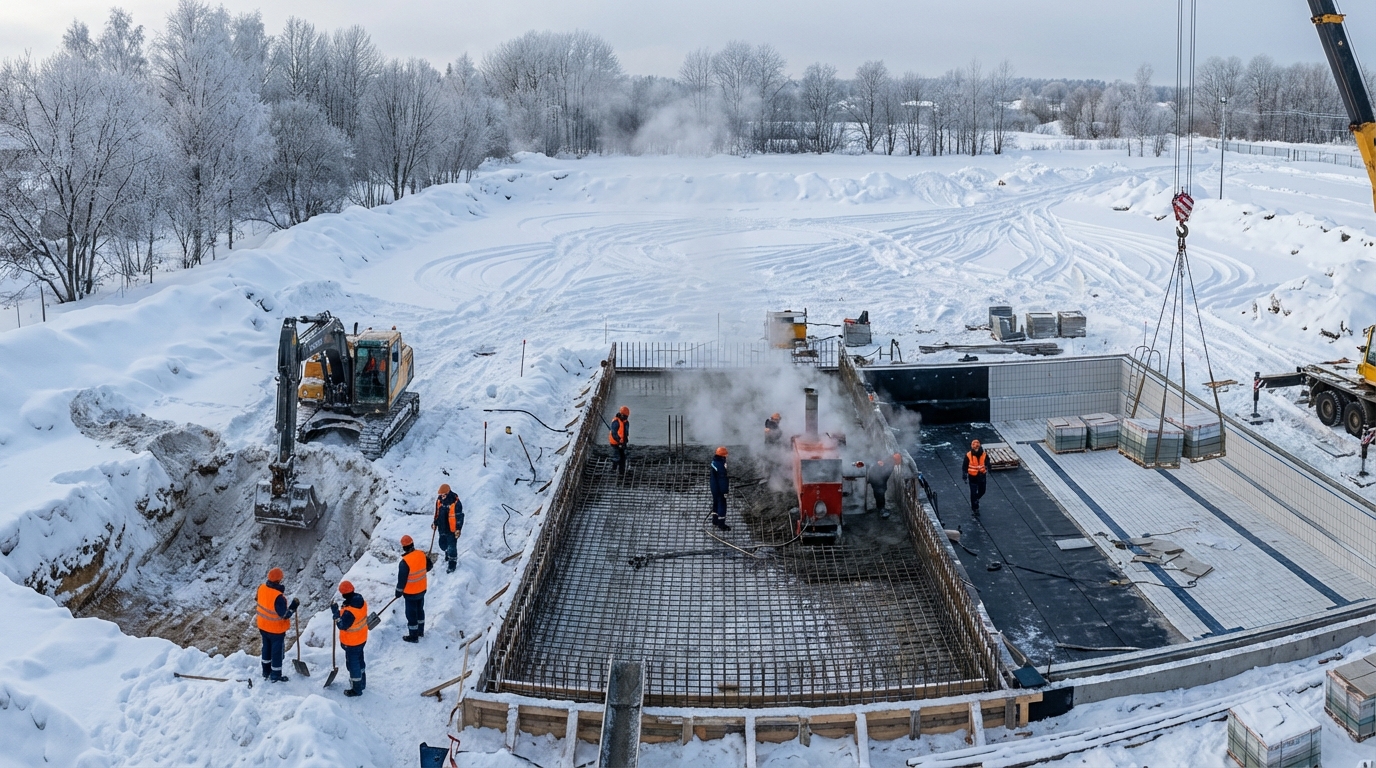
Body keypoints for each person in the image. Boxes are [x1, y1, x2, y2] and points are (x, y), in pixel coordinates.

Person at [255, 567, 299, 682]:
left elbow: (258, 600)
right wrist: (293, 607)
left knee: (266, 649)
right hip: (276, 630)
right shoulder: (278, 597)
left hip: (263, 626)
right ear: (279, 580)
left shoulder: (261, 588)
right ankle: (275, 675)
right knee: (276, 653)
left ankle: (266, 671)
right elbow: (284, 614)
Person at [331, 580, 368, 697]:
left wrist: (336, 615)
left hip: (352, 642)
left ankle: (356, 689)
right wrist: (341, 611)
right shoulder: (361, 602)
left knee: (353, 665)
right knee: (360, 661)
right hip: (361, 639)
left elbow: (342, 625)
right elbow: (352, 616)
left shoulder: (350, 612)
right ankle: (362, 682)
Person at [396, 534, 432, 642]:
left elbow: (401, 581)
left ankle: (413, 636)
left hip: (411, 594)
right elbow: (429, 566)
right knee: (420, 611)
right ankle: (420, 631)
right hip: (422, 590)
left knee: (411, 615)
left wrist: (398, 592)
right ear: (413, 544)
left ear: (403, 547)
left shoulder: (404, 563)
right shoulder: (421, 555)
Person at [433, 483, 463, 573]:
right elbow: (437, 513)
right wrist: (435, 523)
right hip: (442, 527)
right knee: (443, 544)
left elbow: (459, 516)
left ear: (448, 493)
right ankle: (447, 553)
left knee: (452, 547)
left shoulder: (455, 502)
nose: (442, 496)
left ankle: (452, 564)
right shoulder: (439, 501)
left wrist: (458, 529)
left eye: (444, 495)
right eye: (441, 495)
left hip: (451, 529)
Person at [962, 439, 988, 515]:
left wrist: (988, 469)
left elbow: (987, 463)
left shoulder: (984, 455)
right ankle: (975, 507)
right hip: (972, 477)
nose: (976, 449)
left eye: (977, 448)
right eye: (974, 448)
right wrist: (964, 475)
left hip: (982, 476)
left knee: (982, 491)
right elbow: (965, 466)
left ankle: (976, 499)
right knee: (973, 492)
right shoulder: (968, 455)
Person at [709, 446, 730, 531]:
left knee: (716, 502)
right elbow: (722, 479)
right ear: (723, 456)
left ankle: (715, 520)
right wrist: (725, 491)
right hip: (719, 488)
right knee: (722, 503)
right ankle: (721, 524)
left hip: (714, 487)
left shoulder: (714, 462)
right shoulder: (720, 465)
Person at [609, 406, 630, 479]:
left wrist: (625, 440)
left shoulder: (626, 422)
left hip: (622, 442)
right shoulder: (616, 422)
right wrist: (619, 441)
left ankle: (622, 471)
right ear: (621, 415)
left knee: (623, 456)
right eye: (625, 416)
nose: (626, 418)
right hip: (615, 442)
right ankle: (614, 469)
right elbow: (614, 433)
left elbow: (625, 432)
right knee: (617, 456)